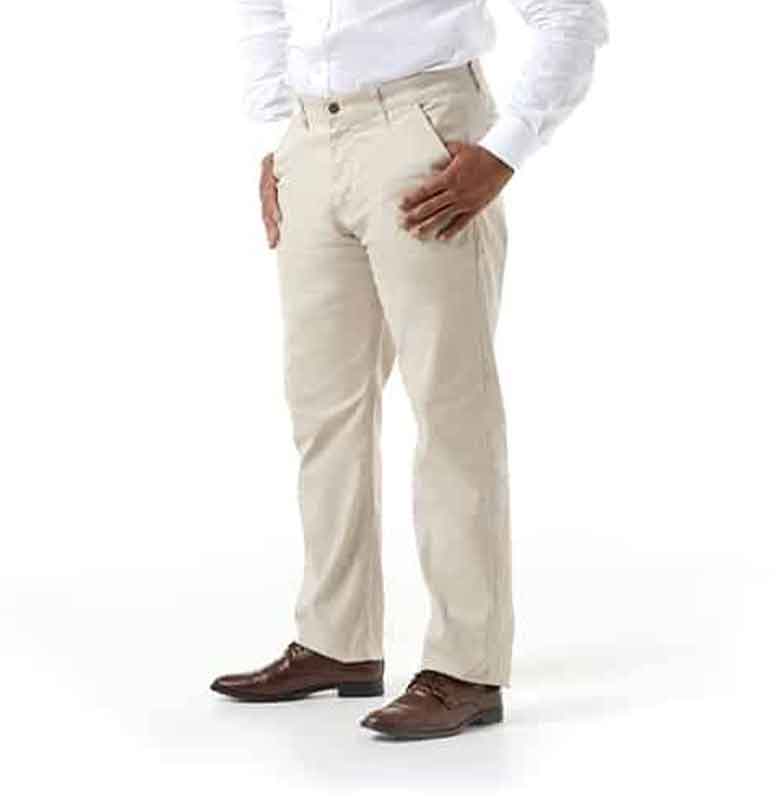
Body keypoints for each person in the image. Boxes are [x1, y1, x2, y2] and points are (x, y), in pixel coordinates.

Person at [211, 0, 608, 740]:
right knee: (323, 411)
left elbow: (570, 16)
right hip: (310, 138)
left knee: (451, 406)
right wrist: (278, 137)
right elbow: (263, 9)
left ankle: (467, 666)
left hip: (424, 126)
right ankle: (337, 639)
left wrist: (506, 149)